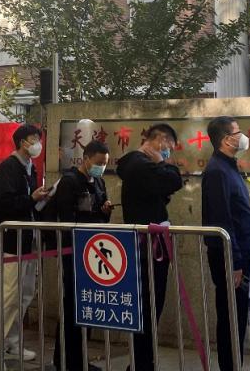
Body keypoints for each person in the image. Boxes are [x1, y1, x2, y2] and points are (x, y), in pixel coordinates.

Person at [117, 123, 184, 371]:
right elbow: (173, 181)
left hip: (150, 246)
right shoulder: (140, 164)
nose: (168, 153)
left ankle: (143, 361)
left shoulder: (138, 165)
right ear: (160, 141)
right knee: (148, 305)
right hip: (147, 249)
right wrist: (163, 163)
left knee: (151, 306)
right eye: (168, 147)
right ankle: (140, 364)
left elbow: (163, 188)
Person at [0, 124, 49, 371]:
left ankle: (11, 342)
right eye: (34, 139)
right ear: (23, 142)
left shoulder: (30, 167)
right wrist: (31, 198)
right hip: (12, 241)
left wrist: (40, 199)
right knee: (10, 297)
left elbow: (27, 202)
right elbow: (5, 203)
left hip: (28, 239)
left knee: (25, 294)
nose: (37, 144)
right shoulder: (10, 167)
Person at [52, 140, 113, 371]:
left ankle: (80, 359)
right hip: (75, 251)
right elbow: (67, 218)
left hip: (95, 252)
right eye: (98, 162)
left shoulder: (99, 181)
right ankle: (65, 360)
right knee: (72, 306)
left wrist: (104, 210)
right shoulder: (69, 181)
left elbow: (99, 213)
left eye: (105, 163)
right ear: (86, 158)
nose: (101, 167)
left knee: (88, 305)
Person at [202, 116, 250, 371]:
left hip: (240, 254)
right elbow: (221, 219)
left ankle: (235, 364)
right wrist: (233, 261)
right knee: (231, 318)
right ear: (226, 140)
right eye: (238, 132)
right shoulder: (217, 171)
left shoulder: (229, 167)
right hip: (230, 258)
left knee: (237, 316)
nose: (243, 136)